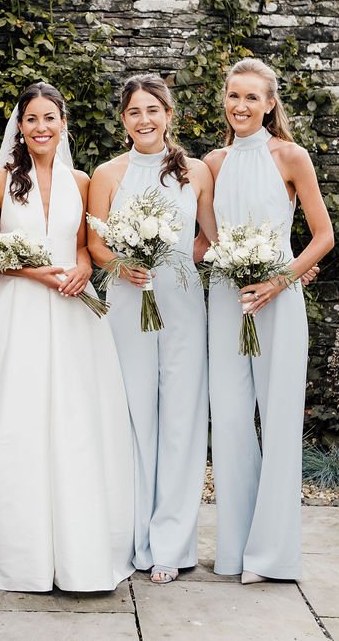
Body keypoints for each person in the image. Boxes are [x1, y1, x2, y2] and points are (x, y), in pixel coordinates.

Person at [0, 82, 135, 592]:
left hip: (73, 312)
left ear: (63, 124)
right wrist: (39, 274)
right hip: (17, 310)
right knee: (16, 417)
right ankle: (17, 550)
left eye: (50, 118)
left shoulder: (79, 180)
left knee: (75, 417)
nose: (41, 127)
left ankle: (80, 548)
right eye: (31, 118)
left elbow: (84, 243)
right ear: (20, 126)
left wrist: (83, 268)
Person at [204, 58, 334, 584]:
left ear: (270, 103)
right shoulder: (211, 162)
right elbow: (207, 236)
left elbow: (323, 236)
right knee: (232, 421)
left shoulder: (291, 156)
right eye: (234, 96)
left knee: (278, 422)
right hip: (225, 299)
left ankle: (272, 556)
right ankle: (235, 551)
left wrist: (282, 279)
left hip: (278, 302)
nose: (241, 106)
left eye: (252, 97)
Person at [87, 73, 217, 584]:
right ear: (124, 121)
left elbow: (210, 237)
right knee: (134, 417)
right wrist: (122, 266)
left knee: (182, 420)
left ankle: (172, 545)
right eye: (135, 112)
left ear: (168, 114)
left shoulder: (197, 170)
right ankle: (133, 536)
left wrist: (177, 261)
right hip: (127, 303)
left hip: (182, 305)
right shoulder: (107, 173)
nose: (145, 120)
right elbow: (96, 244)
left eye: (153, 110)